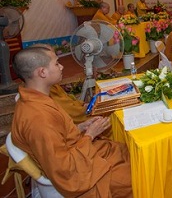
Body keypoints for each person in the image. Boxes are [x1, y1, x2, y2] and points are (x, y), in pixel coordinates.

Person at [11, 45, 132, 197]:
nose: (61, 67)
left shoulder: (37, 97)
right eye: (56, 63)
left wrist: (80, 127)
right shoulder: (37, 118)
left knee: (130, 153)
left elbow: (60, 135)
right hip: (81, 172)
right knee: (138, 176)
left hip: (85, 153)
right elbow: (64, 168)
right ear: (42, 72)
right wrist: (89, 135)